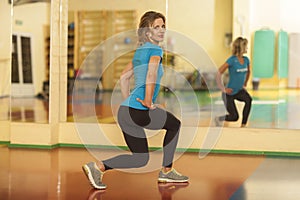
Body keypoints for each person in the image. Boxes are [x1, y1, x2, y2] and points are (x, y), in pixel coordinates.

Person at [82, 11, 189, 190]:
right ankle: (167, 171)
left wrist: (128, 102)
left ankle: (97, 167)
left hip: (127, 111)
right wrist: (147, 101)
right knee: (174, 125)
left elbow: (124, 77)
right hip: (138, 109)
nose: (162, 30)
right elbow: (151, 73)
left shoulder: (139, 52)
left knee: (140, 158)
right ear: (147, 32)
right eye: (156, 27)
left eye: (163, 26)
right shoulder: (155, 50)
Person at [215, 37, 252, 127]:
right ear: (241, 47)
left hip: (239, 91)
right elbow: (219, 73)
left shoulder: (246, 60)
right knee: (234, 117)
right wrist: (222, 88)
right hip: (229, 93)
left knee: (249, 100)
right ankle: (218, 118)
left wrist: (245, 83)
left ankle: (243, 125)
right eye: (246, 46)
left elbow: (249, 72)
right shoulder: (231, 60)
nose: (247, 48)